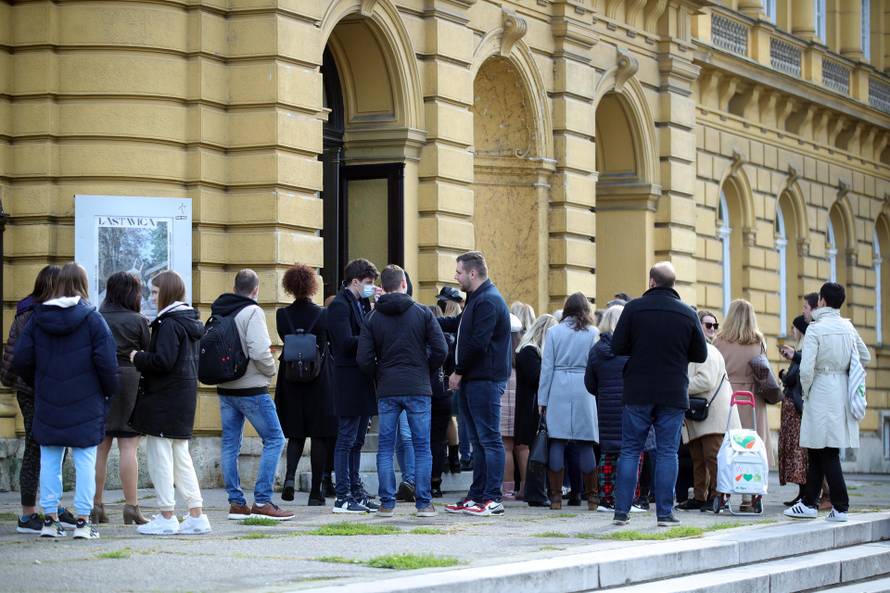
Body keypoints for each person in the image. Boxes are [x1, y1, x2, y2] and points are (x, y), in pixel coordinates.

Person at [13, 262, 117, 540]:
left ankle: (49, 520)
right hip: (87, 400)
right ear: (83, 285)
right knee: (84, 460)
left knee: (49, 459)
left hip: (48, 398)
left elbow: (20, 359)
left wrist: (39, 381)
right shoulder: (93, 319)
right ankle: (83, 521)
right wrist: (107, 391)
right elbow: (107, 364)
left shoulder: (37, 318)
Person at [610, 262, 708, 526]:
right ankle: (664, 513)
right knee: (667, 452)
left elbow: (617, 346)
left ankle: (621, 512)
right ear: (673, 284)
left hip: (638, 390)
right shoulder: (687, 313)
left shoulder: (633, 309)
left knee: (630, 450)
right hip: (673, 391)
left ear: (651, 282)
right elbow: (701, 354)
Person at [357, 265, 447, 517]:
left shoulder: (373, 318)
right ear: (404, 284)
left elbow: (363, 359)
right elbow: (440, 350)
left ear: (382, 287)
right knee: (421, 446)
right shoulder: (422, 313)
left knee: (385, 447)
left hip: (387, 388)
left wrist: (379, 373)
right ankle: (424, 504)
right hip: (418, 386)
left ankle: (387, 504)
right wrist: (424, 368)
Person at [129, 270, 211, 535]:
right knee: (180, 457)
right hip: (182, 397)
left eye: (154, 292)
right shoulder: (187, 320)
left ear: (167, 292)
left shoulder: (169, 323)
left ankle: (166, 516)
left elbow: (162, 362)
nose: (151, 297)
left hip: (164, 398)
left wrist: (137, 357)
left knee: (160, 458)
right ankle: (196, 515)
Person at [210, 270, 293, 521]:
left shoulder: (220, 310)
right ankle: (262, 501)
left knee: (230, 444)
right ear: (256, 290)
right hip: (252, 389)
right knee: (275, 439)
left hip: (226, 387)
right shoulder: (252, 312)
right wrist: (272, 369)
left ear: (235, 288)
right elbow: (259, 351)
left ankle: (236, 503)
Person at [785, 282, 870, 522]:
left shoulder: (815, 329)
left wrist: (808, 393)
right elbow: (865, 356)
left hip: (821, 390)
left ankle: (840, 506)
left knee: (827, 451)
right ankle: (809, 503)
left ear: (821, 301)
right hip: (840, 391)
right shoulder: (847, 327)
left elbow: (806, 369)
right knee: (817, 449)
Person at [438, 251, 512, 517]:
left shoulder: (488, 301)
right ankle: (476, 496)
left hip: (485, 380)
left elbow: (478, 344)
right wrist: (424, 317)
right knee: (480, 442)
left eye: (458, 272)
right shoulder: (476, 300)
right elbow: (457, 325)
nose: (455, 276)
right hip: (475, 379)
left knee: (489, 440)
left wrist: (458, 371)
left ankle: (492, 498)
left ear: (472, 273)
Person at [0, 265, 65, 534]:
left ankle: (46, 509)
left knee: (42, 448)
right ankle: (30, 515)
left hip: (29, 390)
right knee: (45, 448)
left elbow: (11, 355)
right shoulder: (41, 314)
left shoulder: (24, 312)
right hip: (43, 391)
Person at [275, 263, 338, 506]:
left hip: (291, 378)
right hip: (319, 379)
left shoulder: (282, 315)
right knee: (319, 435)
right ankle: (315, 492)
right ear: (312, 286)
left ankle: (290, 478)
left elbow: (284, 338)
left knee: (296, 434)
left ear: (289, 287)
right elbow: (329, 341)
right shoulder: (323, 314)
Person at [94, 271, 150, 525]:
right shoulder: (139, 320)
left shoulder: (96, 317)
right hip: (130, 382)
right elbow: (149, 356)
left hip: (99, 381)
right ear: (132, 293)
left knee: (99, 447)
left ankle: (95, 507)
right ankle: (131, 508)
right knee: (129, 447)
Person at [328, 258, 381, 513]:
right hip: (348, 378)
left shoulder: (361, 303)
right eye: (369, 283)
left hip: (362, 378)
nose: (371, 287)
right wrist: (371, 338)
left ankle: (356, 491)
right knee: (346, 438)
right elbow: (343, 341)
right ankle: (342, 495)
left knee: (358, 439)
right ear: (355, 281)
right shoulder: (339, 305)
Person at [538, 293, 599, 511]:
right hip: (584, 388)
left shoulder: (554, 332)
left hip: (558, 387)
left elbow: (546, 368)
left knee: (557, 441)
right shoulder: (593, 333)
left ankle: (555, 498)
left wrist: (542, 400)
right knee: (585, 443)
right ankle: (592, 497)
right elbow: (596, 365)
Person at [713, 298, 773, 514]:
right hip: (752, 398)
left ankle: (724, 491)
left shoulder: (720, 341)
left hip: (728, 396)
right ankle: (750, 496)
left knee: (729, 445)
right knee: (752, 446)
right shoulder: (758, 341)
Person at [679, 309, 740, 513]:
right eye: (708, 325)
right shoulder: (697, 349)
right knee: (698, 458)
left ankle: (717, 496)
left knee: (712, 457)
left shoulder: (707, 350)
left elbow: (706, 380)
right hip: (701, 415)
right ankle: (700, 496)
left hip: (713, 415)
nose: (712, 329)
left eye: (715, 325)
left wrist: (680, 385)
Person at [585, 304, 629, 512]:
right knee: (627, 453)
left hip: (605, 408)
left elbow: (589, 383)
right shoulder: (630, 349)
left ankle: (606, 498)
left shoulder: (597, 350)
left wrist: (602, 394)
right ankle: (625, 498)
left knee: (607, 453)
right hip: (628, 405)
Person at [513, 314, 558, 499]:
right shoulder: (529, 351)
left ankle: (534, 490)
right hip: (531, 407)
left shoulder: (529, 350)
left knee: (535, 448)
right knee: (535, 449)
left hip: (531, 405)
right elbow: (537, 378)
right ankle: (533, 491)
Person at [777, 315, 810, 506]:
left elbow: (794, 379)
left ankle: (806, 493)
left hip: (796, 407)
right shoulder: (801, 350)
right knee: (795, 449)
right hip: (793, 407)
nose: (791, 331)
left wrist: (783, 375)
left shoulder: (803, 351)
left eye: (793, 328)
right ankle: (802, 493)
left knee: (798, 450)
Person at [428, 305, 454, 498]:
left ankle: (423, 481)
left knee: (422, 439)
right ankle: (436, 483)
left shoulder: (424, 340)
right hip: (444, 391)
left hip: (424, 391)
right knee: (438, 439)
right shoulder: (449, 341)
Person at [499, 313, 523, 499]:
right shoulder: (523, 352)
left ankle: (507, 490)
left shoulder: (499, 352)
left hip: (503, 397)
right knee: (522, 447)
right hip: (520, 402)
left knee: (506, 447)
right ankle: (525, 486)